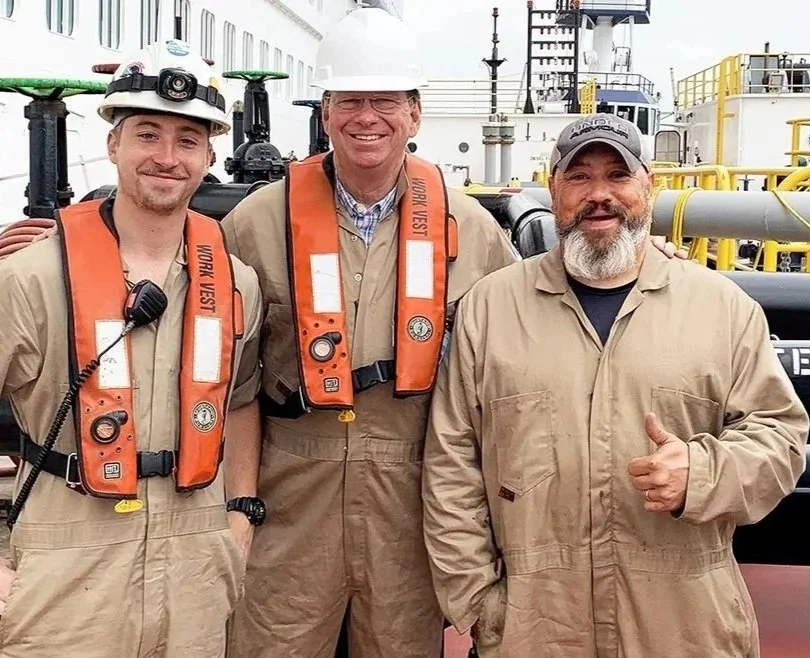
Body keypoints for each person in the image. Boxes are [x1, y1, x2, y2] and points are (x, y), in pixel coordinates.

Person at [422, 113, 810, 655]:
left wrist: (701, 473)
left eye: (617, 175)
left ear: (649, 185)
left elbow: (780, 440)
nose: (598, 195)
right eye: (579, 177)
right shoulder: (489, 310)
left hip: (682, 626)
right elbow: (450, 464)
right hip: (536, 627)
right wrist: (480, 604)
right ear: (553, 189)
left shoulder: (722, 308)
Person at [208, 7, 525, 656]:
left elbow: (528, 345)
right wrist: (238, 506)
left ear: (415, 114)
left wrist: (643, 262)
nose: (367, 117)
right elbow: (220, 370)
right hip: (290, 501)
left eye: (385, 100)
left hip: (411, 506)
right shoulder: (256, 222)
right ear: (325, 113)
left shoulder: (472, 231)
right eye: (349, 100)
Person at [0, 39, 265, 656]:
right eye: (148, 135)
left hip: (196, 569)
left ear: (208, 156)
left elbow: (242, 399)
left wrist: (240, 516)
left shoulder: (236, 284)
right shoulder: (29, 279)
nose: (166, 158)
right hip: (67, 572)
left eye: (187, 140)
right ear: (113, 143)